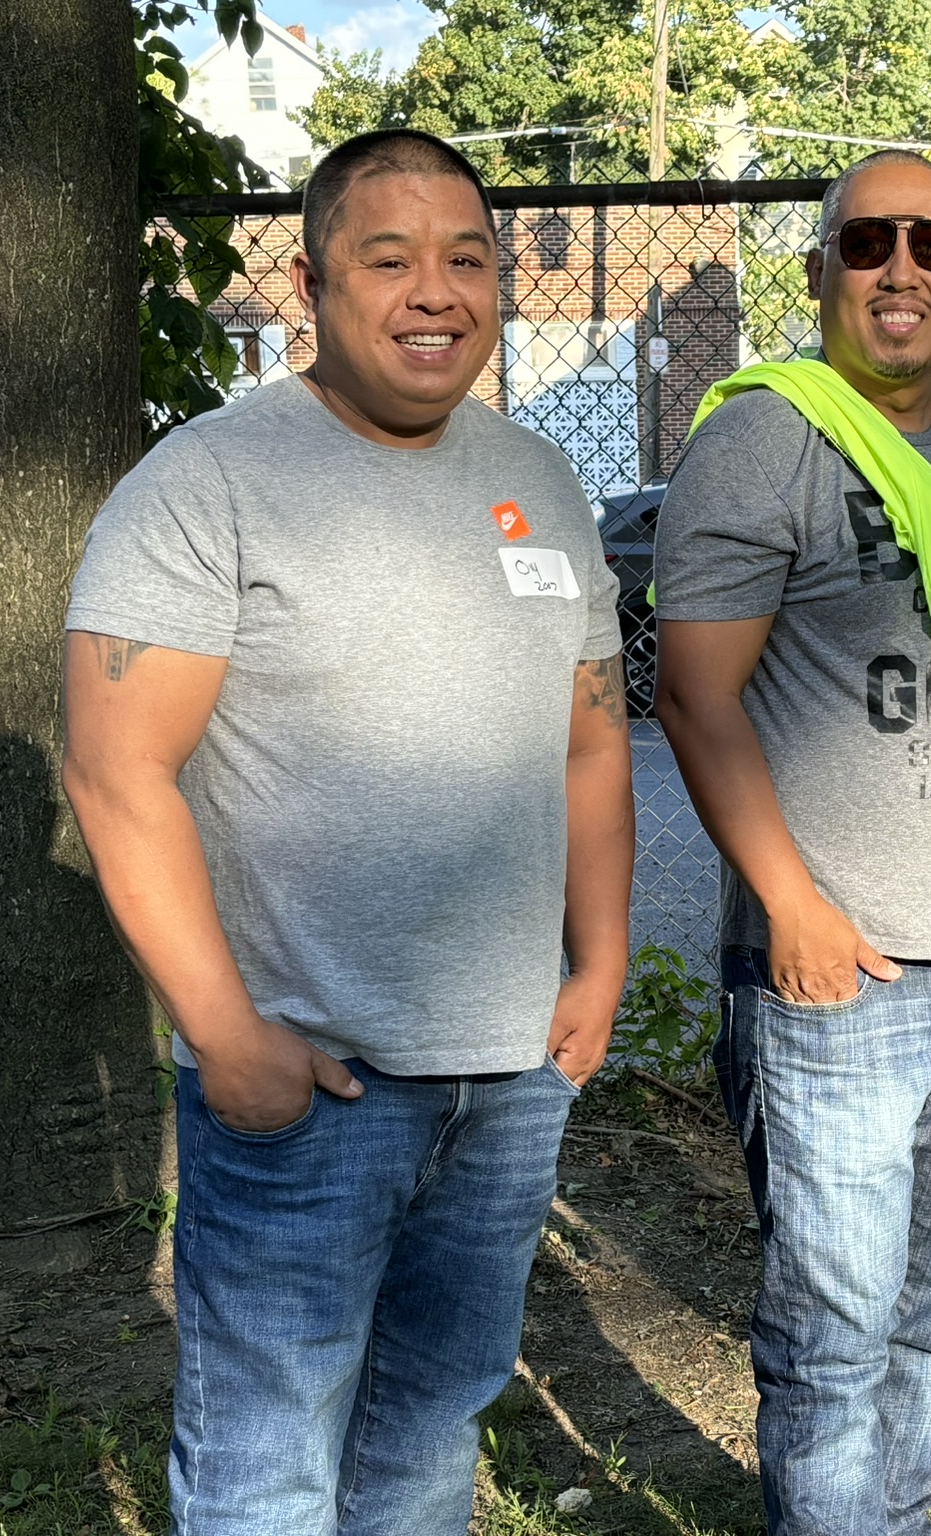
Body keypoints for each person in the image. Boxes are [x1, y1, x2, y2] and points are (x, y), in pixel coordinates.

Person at [60, 129, 633, 1536]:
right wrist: (226, 1036)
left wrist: (603, 960)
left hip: (509, 1076)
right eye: (389, 259)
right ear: (312, 284)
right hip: (311, 1086)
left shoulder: (543, 481)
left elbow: (591, 742)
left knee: (432, 1430)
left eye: (467, 258)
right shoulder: (210, 484)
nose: (435, 291)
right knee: (265, 1466)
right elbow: (115, 771)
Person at [652, 149, 931, 1535]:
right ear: (820, 268)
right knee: (834, 1347)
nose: (902, 268)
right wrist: (792, 905)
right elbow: (694, 693)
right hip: (837, 979)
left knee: (929, 1331)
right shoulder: (764, 440)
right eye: (868, 242)